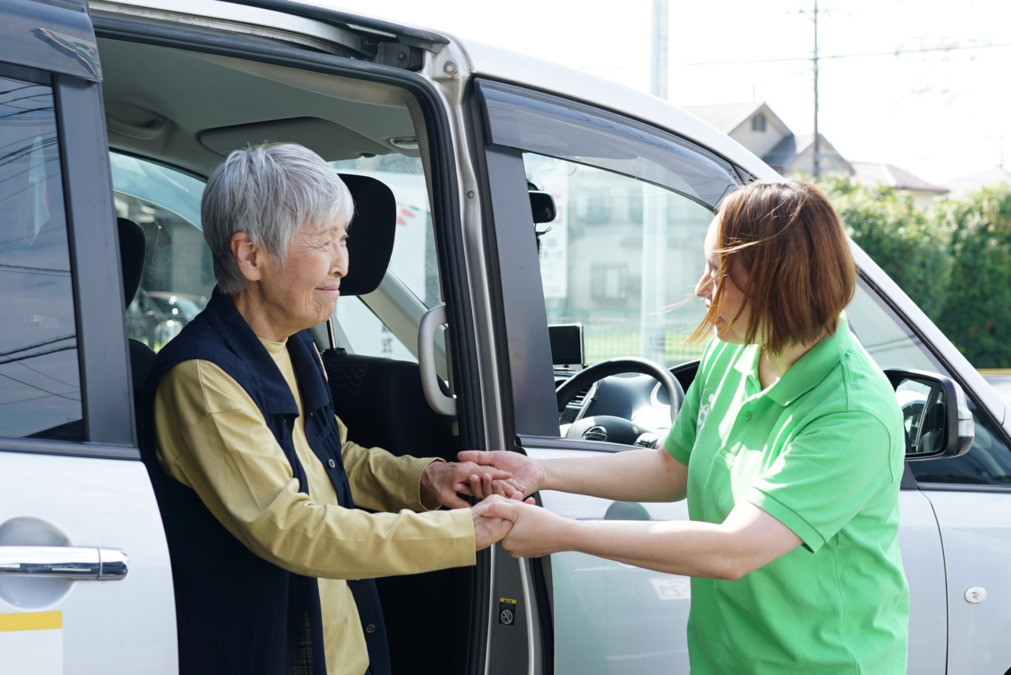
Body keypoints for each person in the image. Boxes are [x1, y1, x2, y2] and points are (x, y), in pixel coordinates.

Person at [469, 180, 910, 673]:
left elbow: (734, 550)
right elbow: (670, 466)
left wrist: (563, 533)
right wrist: (538, 473)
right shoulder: (734, 348)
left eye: (718, 271)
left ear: (777, 279)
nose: (702, 289)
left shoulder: (851, 411)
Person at [137, 143, 513, 675]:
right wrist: (462, 533)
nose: (344, 262)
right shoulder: (202, 380)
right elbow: (289, 527)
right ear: (250, 256)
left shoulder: (295, 346)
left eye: (343, 238)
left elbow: (334, 458)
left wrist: (426, 480)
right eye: (322, 241)